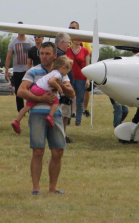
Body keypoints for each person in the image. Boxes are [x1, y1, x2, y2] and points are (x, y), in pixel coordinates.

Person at [17, 41, 75, 195]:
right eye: (41, 53)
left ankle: (53, 187)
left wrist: (60, 86)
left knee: (58, 151)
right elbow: (21, 91)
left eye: (47, 53)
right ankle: (36, 188)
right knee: (38, 151)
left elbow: (72, 93)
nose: (44, 56)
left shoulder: (62, 72)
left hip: (55, 114)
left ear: (55, 55)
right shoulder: (33, 71)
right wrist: (41, 99)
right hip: (36, 114)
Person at [11, 56, 73, 134]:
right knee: (55, 101)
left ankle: (17, 121)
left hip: (35, 88)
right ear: (62, 67)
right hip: (41, 89)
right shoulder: (58, 74)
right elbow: (51, 81)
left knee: (27, 106)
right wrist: (59, 87)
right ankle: (50, 117)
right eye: (68, 69)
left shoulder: (53, 72)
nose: (69, 71)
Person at [5, 21, 34, 112]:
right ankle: (21, 109)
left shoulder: (30, 42)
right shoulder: (13, 43)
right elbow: (9, 57)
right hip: (17, 70)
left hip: (28, 70)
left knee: (30, 90)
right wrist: (6, 71)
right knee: (18, 91)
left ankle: (30, 108)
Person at [68, 21, 93, 118]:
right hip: (71, 72)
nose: (71, 30)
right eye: (70, 28)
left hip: (82, 72)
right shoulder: (68, 39)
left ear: (78, 29)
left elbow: (89, 52)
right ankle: (73, 112)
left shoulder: (84, 40)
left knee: (85, 91)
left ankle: (84, 109)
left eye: (73, 28)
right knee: (72, 93)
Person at [66, 36, 90, 126]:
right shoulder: (67, 50)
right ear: (72, 39)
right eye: (77, 37)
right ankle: (67, 118)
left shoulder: (85, 50)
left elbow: (88, 66)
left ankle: (78, 121)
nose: (79, 39)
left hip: (81, 78)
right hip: (70, 77)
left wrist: (88, 79)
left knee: (80, 100)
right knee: (69, 98)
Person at [55, 32, 73, 143]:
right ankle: (62, 135)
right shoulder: (60, 55)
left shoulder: (55, 53)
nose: (69, 45)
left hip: (63, 87)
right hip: (62, 89)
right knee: (63, 114)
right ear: (62, 42)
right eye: (68, 43)